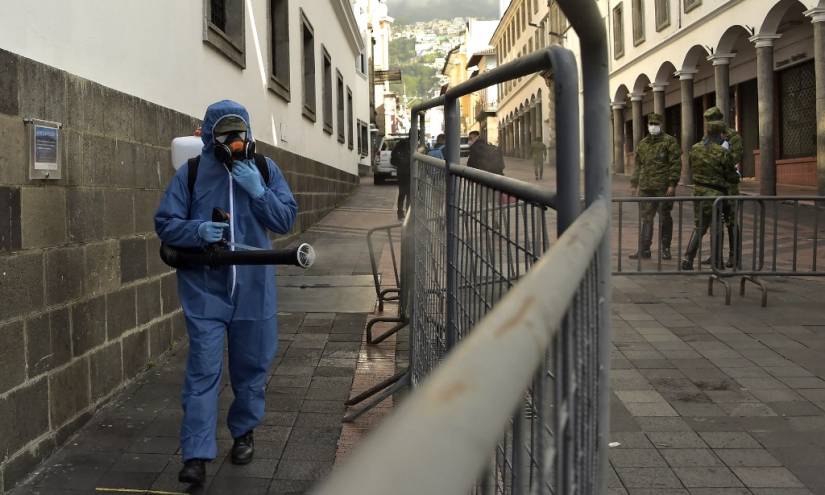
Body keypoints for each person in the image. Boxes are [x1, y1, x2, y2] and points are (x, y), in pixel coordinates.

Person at [155, 100, 298, 485]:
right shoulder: (193, 173)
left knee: (251, 369)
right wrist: (197, 230)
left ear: (250, 135)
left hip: (255, 290)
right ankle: (196, 456)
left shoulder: (265, 169)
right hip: (205, 289)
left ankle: (243, 432)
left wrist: (258, 192)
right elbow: (166, 223)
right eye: (226, 134)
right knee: (203, 371)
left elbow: (285, 219)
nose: (234, 141)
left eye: (241, 133)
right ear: (208, 135)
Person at [680, 113, 739, 270]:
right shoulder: (722, 152)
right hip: (716, 195)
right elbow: (731, 176)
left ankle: (688, 259)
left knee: (699, 226)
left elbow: (691, 167)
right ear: (719, 133)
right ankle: (717, 261)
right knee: (717, 227)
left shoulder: (695, 149)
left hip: (698, 192)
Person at [629, 113, 681, 260]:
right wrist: (634, 183)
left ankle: (665, 249)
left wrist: (672, 184)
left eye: (656, 124)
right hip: (646, 188)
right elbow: (638, 165)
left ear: (661, 125)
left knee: (665, 217)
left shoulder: (669, 142)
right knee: (646, 218)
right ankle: (644, 249)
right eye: (651, 123)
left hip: (663, 188)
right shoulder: (643, 144)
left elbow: (675, 164)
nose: (653, 126)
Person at [701, 106, 742, 268]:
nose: (709, 124)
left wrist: (719, 157)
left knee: (731, 221)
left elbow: (735, 158)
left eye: (712, 121)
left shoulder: (732, 136)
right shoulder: (709, 136)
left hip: (729, 185)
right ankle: (715, 254)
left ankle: (734, 256)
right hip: (714, 185)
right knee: (715, 221)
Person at [391, 135, 411, 221]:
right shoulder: (408, 144)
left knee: (402, 193)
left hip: (401, 172)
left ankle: (401, 214)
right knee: (408, 194)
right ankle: (407, 214)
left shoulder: (401, 143)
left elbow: (393, 156)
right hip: (407, 172)